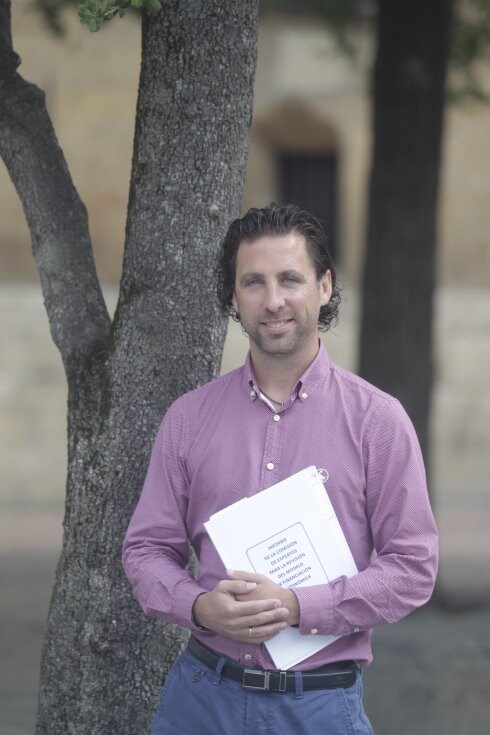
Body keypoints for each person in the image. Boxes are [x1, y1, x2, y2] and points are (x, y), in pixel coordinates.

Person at [122, 203, 438, 734]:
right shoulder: (189, 418)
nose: (273, 301)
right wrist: (199, 607)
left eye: (290, 279)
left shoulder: (376, 421)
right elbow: (146, 550)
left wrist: (299, 606)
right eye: (253, 282)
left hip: (318, 709)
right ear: (233, 298)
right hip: (200, 702)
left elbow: (413, 568)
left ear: (324, 286)